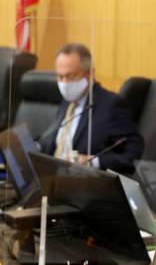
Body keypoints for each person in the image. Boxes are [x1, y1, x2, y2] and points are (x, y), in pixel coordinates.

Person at [37, 42, 143, 174]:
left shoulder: (111, 105)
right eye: (60, 76)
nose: (64, 83)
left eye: (70, 76)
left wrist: (94, 162)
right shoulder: (67, 101)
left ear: (90, 73)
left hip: (84, 183)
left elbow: (134, 154)